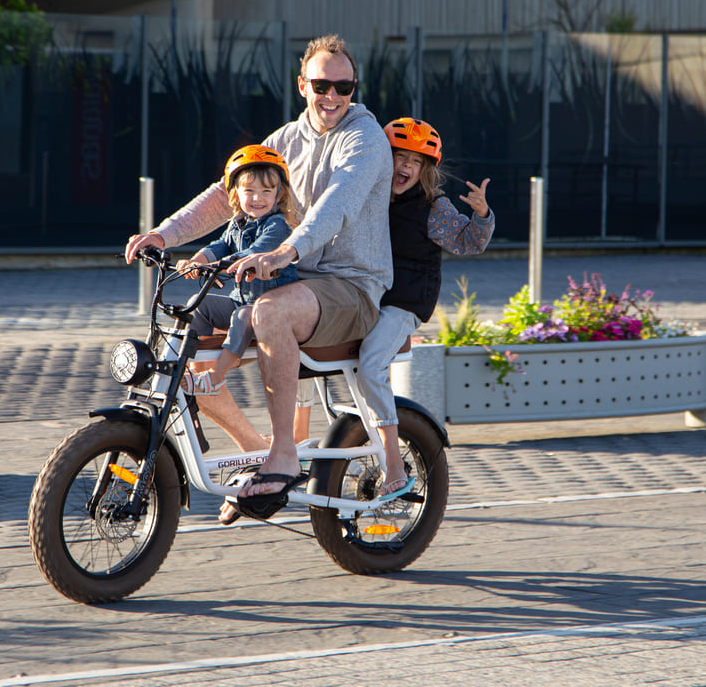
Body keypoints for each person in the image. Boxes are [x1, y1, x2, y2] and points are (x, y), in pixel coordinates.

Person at [125, 34, 392, 519]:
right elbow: (226, 192)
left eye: (344, 86)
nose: (332, 96)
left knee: (268, 312)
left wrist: (286, 249)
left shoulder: (365, 138)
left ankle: (283, 455)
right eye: (321, 85)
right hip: (288, 279)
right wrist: (164, 234)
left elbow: (339, 204)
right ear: (302, 85)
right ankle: (255, 449)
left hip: (349, 286)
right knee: (183, 324)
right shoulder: (285, 139)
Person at [358, 117, 494, 496]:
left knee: (370, 366)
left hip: (404, 303)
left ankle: (393, 465)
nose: (405, 166)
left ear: (425, 170)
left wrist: (482, 215)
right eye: (399, 157)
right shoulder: (368, 196)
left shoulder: (432, 207)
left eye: (415, 162)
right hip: (366, 297)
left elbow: (469, 242)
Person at [176, 145, 299, 404]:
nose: (257, 198)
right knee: (199, 304)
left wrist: (214, 266)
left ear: (279, 194)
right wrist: (197, 260)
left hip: (271, 311)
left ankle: (217, 375)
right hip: (240, 300)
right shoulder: (237, 223)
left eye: (266, 191)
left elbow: (253, 252)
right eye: (249, 191)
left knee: (243, 316)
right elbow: (220, 245)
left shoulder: (277, 226)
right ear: (236, 193)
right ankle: (186, 365)